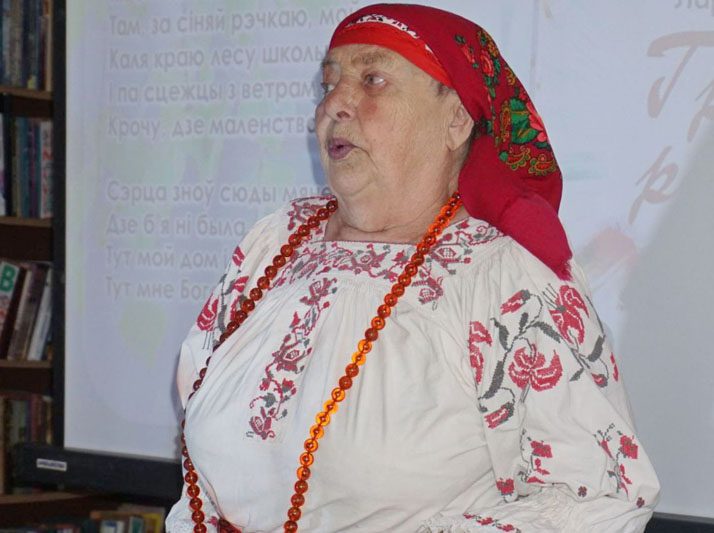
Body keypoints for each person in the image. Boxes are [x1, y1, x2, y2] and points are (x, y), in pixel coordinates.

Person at [166, 4, 659, 532]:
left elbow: (600, 500)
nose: (334, 103)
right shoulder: (276, 244)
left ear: (456, 120)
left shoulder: (508, 280)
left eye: (372, 80)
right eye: (328, 84)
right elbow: (202, 481)